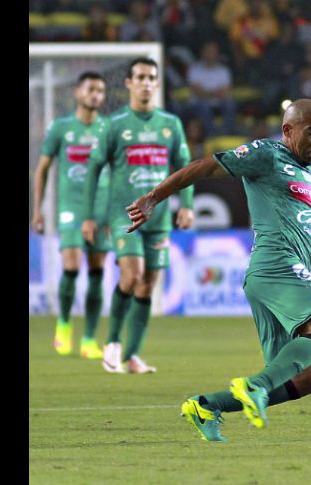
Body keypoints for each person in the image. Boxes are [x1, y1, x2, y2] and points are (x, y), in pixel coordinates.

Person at [124, 99, 311, 442]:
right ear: (288, 130)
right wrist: (154, 197)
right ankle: (255, 386)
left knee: (305, 379)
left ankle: (205, 405)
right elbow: (206, 166)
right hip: (276, 266)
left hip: (270, 278)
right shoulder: (266, 155)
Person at [82, 57, 195, 374]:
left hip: (158, 220)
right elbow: (93, 169)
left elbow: (184, 169)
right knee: (132, 275)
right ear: (129, 83)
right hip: (125, 216)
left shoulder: (170, 124)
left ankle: (132, 356)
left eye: (151, 78)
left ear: (157, 84)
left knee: (148, 283)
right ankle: (113, 343)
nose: (146, 83)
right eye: (140, 77)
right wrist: (90, 216)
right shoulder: (115, 125)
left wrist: (186, 204)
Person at [32, 71, 110, 360]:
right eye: (90, 89)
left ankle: (89, 337)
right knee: (72, 265)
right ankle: (64, 324)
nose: (95, 95)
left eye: (100, 91)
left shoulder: (108, 129)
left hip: (100, 208)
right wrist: (37, 210)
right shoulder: (61, 128)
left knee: (97, 272)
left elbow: (116, 172)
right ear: (77, 92)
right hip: (70, 208)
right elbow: (41, 170)